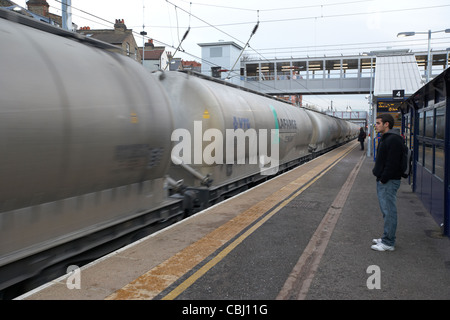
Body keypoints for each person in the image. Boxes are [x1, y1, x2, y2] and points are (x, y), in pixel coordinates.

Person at [371, 114, 403, 252]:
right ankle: (386, 237)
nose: (376, 125)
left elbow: (393, 163)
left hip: (388, 181)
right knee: (386, 211)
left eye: (378, 123)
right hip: (385, 180)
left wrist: (383, 178)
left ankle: (388, 242)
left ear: (386, 124)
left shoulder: (394, 140)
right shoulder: (388, 138)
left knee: (389, 211)